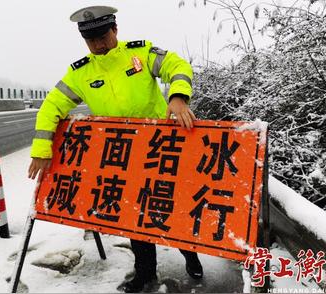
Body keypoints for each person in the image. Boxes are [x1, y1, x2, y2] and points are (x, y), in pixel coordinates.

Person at [27, 5, 203, 293]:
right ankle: (145, 272)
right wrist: (41, 149)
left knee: (172, 206)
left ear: (115, 30)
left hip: (162, 151)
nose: (98, 44)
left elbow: (178, 66)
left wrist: (179, 97)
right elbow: (51, 107)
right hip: (123, 158)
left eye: (102, 35)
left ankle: (191, 255)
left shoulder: (141, 53)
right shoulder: (80, 73)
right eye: (90, 39)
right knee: (135, 216)